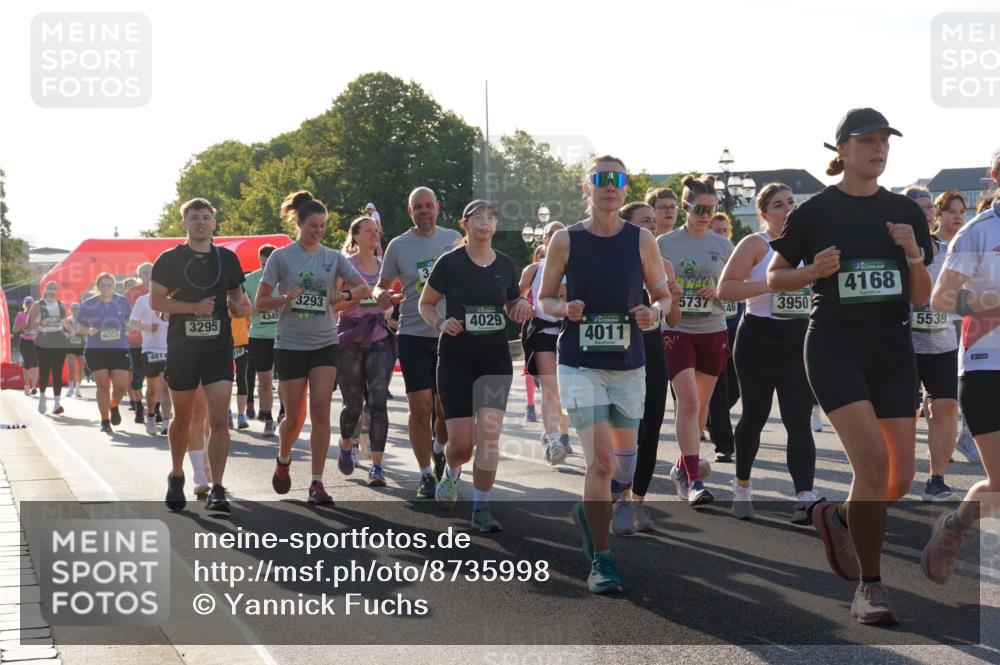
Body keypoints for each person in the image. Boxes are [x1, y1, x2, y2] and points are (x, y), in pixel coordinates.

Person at [768, 108, 933, 625]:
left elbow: (922, 297)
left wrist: (912, 255)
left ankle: (836, 516)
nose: (879, 149)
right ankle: (870, 587)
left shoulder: (905, 210)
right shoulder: (816, 211)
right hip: (834, 346)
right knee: (872, 467)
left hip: (892, 349)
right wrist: (812, 271)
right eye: (867, 141)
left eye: (885, 141)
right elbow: (775, 278)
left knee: (900, 480)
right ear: (841, 150)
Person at [539, 155, 672, 593]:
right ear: (587, 187)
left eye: (617, 180)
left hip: (628, 363)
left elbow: (662, 295)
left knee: (623, 470)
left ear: (625, 187)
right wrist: (565, 308)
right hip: (579, 361)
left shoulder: (642, 239)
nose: (610, 187)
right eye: (601, 179)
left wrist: (654, 312)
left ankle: (591, 510)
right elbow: (544, 299)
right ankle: (601, 559)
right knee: (599, 463)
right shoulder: (566, 240)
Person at [419, 200, 531, 531]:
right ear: (465, 224)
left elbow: (511, 304)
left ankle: (481, 508)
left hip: (495, 358)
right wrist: (440, 323)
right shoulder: (450, 263)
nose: (485, 223)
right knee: (463, 443)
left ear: (496, 225)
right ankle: (452, 473)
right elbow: (426, 304)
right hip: (456, 359)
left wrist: (521, 305)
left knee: (490, 436)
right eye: (478, 217)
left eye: (491, 218)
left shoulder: (506, 264)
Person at [256, 191, 370, 505]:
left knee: (321, 411)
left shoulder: (333, 257)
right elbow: (260, 302)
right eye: (313, 225)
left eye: (322, 225)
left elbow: (364, 288)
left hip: (324, 342)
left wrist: (344, 298)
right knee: (294, 418)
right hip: (290, 343)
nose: (318, 230)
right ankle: (283, 458)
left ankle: (317, 483)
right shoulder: (281, 257)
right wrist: (285, 299)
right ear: (300, 223)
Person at [921, 148, 1000, 585]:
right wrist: (994, 303)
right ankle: (954, 529)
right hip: (988, 366)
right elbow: (942, 299)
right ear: (994, 175)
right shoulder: (978, 232)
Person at [717, 183, 819, 522]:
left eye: (791, 202)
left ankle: (804, 494)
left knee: (798, 418)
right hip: (758, 340)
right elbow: (725, 289)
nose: (787, 209)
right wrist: (774, 282)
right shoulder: (755, 244)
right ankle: (742, 486)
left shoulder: (812, 242)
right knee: (755, 416)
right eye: (778, 205)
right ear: (764, 214)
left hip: (798, 341)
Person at [150, 197, 248, 513]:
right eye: (194, 217)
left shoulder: (227, 259)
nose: (201, 222)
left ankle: (217, 487)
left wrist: (240, 307)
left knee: (219, 419)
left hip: (218, 348)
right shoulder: (169, 259)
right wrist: (191, 308)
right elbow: (156, 301)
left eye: (206, 217)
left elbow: (238, 299)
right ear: (185, 224)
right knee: (184, 417)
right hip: (183, 349)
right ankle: (177, 474)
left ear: (214, 223)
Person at [376, 187, 461, 498]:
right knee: (420, 406)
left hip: (450, 335)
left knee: (444, 410)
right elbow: (379, 286)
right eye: (418, 207)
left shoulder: (454, 239)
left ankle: (439, 448)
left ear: (437, 207)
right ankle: (425, 473)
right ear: (409, 210)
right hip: (412, 333)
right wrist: (380, 296)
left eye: (429, 206)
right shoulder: (399, 246)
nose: (424, 211)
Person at [657, 174, 735, 506]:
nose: (704, 215)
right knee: (687, 403)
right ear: (686, 206)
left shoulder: (724, 245)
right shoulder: (665, 244)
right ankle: (692, 478)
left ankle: (682, 465)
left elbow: (735, 294)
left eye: (710, 208)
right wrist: (669, 294)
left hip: (713, 329)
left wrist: (719, 292)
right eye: (698, 208)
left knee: (701, 408)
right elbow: (652, 286)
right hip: (677, 330)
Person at [613, 202, 681, 535]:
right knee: (629, 429)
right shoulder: (613, 261)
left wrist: (675, 299)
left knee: (652, 425)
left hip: (652, 350)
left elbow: (673, 319)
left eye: (654, 222)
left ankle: (638, 502)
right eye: (644, 222)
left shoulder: (665, 265)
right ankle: (620, 499)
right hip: (619, 350)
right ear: (626, 227)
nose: (652, 228)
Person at [900, 186, 963, 501]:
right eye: (917, 207)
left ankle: (936, 478)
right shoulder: (892, 252)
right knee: (903, 414)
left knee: (946, 408)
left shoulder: (948, 250)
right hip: (902, 347)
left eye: (928, 207)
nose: (924, 212)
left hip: (942, 344)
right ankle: (895, 475)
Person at [336, 216, 399, 487]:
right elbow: (333, 304)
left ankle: (377, 466)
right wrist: (360, 297)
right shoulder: (344, 266)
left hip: (379, 336)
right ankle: (346, 443)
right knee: (353, 404)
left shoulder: (385, 267)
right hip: (350, 337)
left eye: (377, 231)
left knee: (377, 402)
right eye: (369, 231)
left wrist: (391, 303)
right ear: (356, 236)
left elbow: (387, 306)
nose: (375, 234)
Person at [933, 190, 981, 464]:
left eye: (962, 212)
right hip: (931, 330)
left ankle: (964, 435)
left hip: (964, 326)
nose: (958, 217)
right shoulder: (931, 247)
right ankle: (939, 444)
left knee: (959, 393)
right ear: (938, 214)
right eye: (952, 211)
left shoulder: (970, 243)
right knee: (940, 399)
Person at [519, 221, 573, 463]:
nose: (556, 237)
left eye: (560, 234)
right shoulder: (533, 269)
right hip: (542, 331)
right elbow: (515, 298)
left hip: (570, 332)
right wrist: (525, 306)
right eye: (552, 233)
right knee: (551, 390)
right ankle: (553, 441)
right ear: (545, 240)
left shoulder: (577, 267)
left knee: (565, 392)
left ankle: (559, 434)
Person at [706, 211, 741, 462]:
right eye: (715, 230)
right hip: (710, 326)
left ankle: (707, 418)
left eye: (723, 230)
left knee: (736, 387)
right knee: (719, 385)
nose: (720, 234)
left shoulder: (734, 252)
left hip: (736, 328)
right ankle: (724, 443)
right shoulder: (702, 255)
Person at [77, 273, 133, 433]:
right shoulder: (89, 304)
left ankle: (114, 405)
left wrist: (131, 325)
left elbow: (130, 320)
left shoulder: (123, 301)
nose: (106, 288)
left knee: (121, 386)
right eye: (103, 285)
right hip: (96, 350)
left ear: (114, 286)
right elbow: (78, 326)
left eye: (109, 285)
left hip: (119, 348)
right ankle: (105, 420)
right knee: (102, 386)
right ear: (98, 286)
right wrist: (89, 330)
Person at [245, 244, 279, 437]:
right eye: (263, 263)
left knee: (287, 381)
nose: (267, 268)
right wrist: (260, 306)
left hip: (285, 336)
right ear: (259, 260)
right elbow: (242, 309)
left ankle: (285, 413)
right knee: (265, 380)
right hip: (259, 336)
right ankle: (267, 417)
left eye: (270, 263)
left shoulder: (286, 278)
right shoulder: (250, 280)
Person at [27, 281, 73, 415]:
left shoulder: (60, 305)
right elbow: (29, 325)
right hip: (42, 339)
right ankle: (42, 398)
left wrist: (71, 332)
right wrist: (41, 322)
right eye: (50, 288)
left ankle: (57, 403)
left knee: (57, 371)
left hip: (58, 340)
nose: (52, 291)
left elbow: (65, 321)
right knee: (45, 370)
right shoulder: (38, 305)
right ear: (45, 290)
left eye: (55, 289)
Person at [129, 292, 170, 435]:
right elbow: (132, 323)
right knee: (153, 388)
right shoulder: (143, 300)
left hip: (169, 349)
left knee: (165, 388)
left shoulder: (172, 299)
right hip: (150, 349)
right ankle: (151, 416)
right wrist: (147, 328)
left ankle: (166, 421)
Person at [520, 244, 546, 425]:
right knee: (529, 368)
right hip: (532, 324)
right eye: (542, 255)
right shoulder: (532, 272)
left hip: (556, 324)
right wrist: (526, 308)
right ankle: (530, 405)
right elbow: (519, 296)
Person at [126, 263, 153, 422]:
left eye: (150, 271)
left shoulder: (164, 289)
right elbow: (126, 315)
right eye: (144, 272)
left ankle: (155, 408)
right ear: (139, 275)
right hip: (136, 340)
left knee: (156, 376)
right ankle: (138, 407)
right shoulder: (132, 292)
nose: (147, 274)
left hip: (158, 341)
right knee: (138, 376)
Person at [229, 307, 252, 430]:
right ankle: (227, 412)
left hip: (242, 343)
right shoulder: (220, 298)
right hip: (226, 344)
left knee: (241, 379)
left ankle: (241, 416)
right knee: (227, 380)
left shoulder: (243, 302)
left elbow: (249, 318)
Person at [13, 297, 38, 396]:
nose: (29, 304)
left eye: (30, 303)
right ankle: (27, 386)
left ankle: (34, 387)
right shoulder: (20, 315)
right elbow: (14, 329)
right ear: (24, 304)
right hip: (24, 341)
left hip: (35, 342)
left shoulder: (37, 315)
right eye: (27, 303)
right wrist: (24, 322)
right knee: (26, 364)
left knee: (35, 364)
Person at [65, 303, 85, 398]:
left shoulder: (83, 321)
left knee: (81, 368)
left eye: (77, 309)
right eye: (74, 309)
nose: (76, 310)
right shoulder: (68, 321)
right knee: (72, 368)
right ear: (71, 310)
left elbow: (86, 332)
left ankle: (77, 389)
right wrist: (69, 334)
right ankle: (70, 389)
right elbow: (63, 334)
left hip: (81, 346)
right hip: (70, 347)